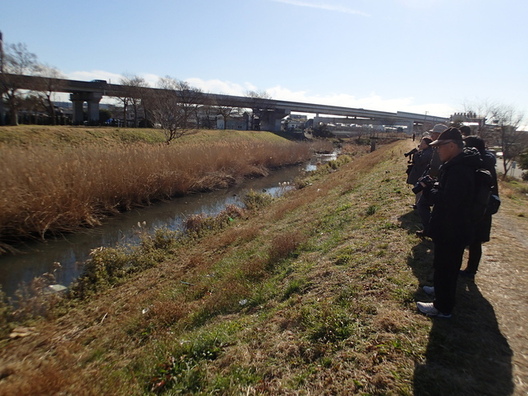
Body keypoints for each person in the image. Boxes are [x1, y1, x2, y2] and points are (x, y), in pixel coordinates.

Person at [416, 127, 482, 318]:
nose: (437, 151)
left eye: (440, 147)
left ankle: (442, 307)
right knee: (443, 264)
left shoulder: (460, 170)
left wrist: (429, 190)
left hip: (452, 229)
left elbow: (449, 201)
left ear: (452, 146)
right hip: (451, 227)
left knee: (447, 266)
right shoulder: (458, 165)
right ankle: (439, 290)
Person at [460, 136, 499, 279]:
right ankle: (472, 269)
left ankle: (469, 271)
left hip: (476, 204)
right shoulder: (488, 161)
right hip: (486, 204)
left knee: (470, 238)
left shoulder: (476, 161)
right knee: (477, 241)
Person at [415, 124, 447, 237]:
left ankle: (430, 230)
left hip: (438, 183)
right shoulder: (438, 147)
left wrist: (427, 181)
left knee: (422, 204)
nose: (432, 135)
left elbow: (435, 167)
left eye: (434, 133)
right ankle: (431, 229)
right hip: (439, 181)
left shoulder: (441, 148)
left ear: (439, 135)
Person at [407, 137, 433, 206]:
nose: (420, 144)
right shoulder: (425, 151)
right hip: (419, 172)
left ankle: (418, 205)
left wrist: (416, 154)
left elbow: (419, 162)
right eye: (421, 142)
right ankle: (417, 204)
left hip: (420, 173)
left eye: (423, 143)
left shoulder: (428, 152)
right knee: (419, 189)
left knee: (419, 190)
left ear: (428, 144)